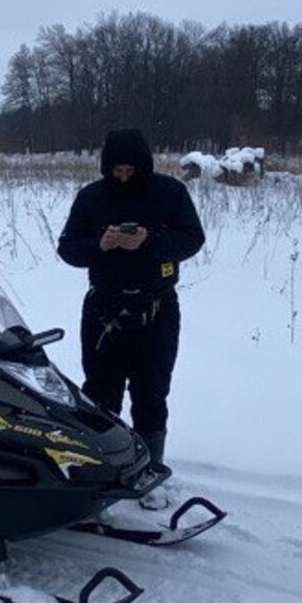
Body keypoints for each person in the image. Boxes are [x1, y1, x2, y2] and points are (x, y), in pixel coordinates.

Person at [56, 127, 205, 501]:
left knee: (151, 395)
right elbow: (68, 249)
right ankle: (100, 476)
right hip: (103, 312)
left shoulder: (170, 192)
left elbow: (192, 239)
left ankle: (149, 474)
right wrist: (100, 245)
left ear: (144, 166)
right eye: (116, 171)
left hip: (156, 311)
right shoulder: (91, 197)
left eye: (130, 170)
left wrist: (148, 241)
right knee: (99, 397)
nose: (123, 177)